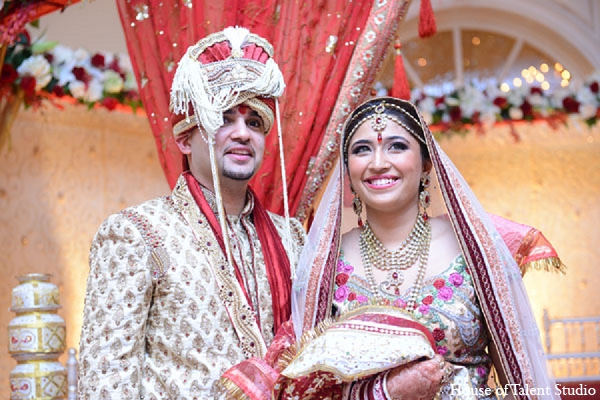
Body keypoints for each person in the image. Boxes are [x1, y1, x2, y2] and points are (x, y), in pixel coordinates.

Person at [222, 97, 563, 399]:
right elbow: (299, 387)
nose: (378, 162)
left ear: (427, 164)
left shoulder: (476, 244)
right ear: (348, 171)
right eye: (361, 149)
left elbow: (523, 378)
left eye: (396, 146)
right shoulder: (325, 263)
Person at [77, 26, 305, 399]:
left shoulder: (291, 237)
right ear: (184, 139)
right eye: (224, 118)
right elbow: (106, 381)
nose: (242, 133)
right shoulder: (138, 233)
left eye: (254, 122)